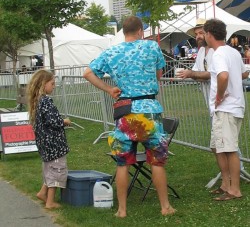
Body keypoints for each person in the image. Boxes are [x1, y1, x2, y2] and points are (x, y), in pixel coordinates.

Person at [83, 16, 175, 217]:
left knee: (122, 162)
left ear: (123, 31)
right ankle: (165, 206)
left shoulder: (111, 52)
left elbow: (88, 73)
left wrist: (109, 89)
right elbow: (159, 74)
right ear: (141, 30)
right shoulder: (151, 47)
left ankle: (122, 210)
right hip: (150, 109)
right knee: (157, 161)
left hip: (125, 111)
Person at [204, 18, 246, 201]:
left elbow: (223, 76)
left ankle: (234, 189)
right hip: (232, 106)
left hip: (227, 108)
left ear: (209, 35)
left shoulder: (219, 54)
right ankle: (226, 184)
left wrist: (220, 95)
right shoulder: (233, 52)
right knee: (217, 147)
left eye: (204, 33)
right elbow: (244, 72)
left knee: (229, 149)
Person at [26, 69, 71, 209]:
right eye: (52, 83)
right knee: (57, 170)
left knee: (49, 168)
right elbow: (54, 121)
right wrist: (64, 121)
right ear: (43, 84)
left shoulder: (37, 101)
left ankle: (42, 192)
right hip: (54, 143)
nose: (54, 86)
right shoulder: (46, 101)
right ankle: (50, 202)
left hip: (44, 143)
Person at [176, 18, 213, 107]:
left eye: (201, 33)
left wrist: (191, 74)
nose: (198, 37)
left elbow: (212, 74)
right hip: (210, 100)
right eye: (196, 34)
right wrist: (190, 74)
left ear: (209, 33)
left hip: (224, 102)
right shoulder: (201, 51)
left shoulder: (217, 51)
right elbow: (197, 74)